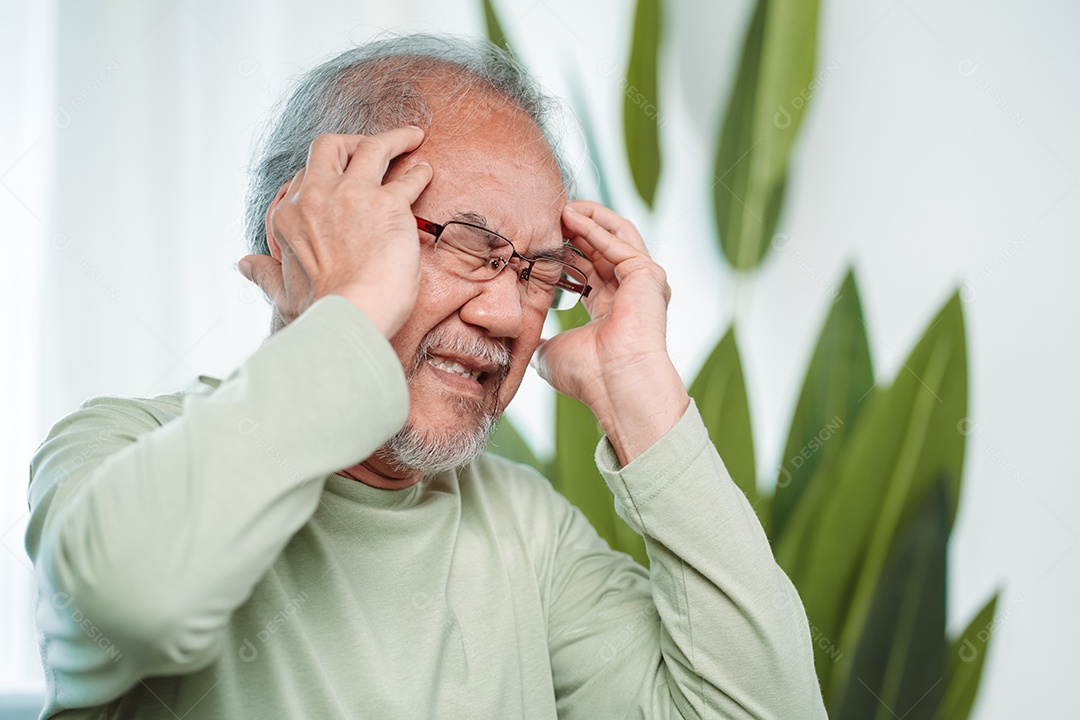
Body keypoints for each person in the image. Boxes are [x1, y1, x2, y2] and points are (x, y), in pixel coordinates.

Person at [26, 34, 827, 719]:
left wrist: (639, 389)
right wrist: (352, 309)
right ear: (308, 230)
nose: (512, 316)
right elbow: (136, 595)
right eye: (467, 244)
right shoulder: (120, 446)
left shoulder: (526, 531)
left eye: (540, 273)